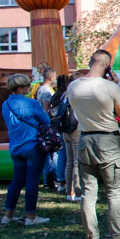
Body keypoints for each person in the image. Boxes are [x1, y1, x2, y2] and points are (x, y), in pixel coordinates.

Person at [66, 50, 120, 239]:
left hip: (85, 139)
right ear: (108, 66)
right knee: (113, 192)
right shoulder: (110, 87)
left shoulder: (73, 86)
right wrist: (117, 86)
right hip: (108, 140)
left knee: (88, 194)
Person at [0, 74, 53, 226]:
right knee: (32, 182)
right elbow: (46, 120)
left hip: (16, 147)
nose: (29, 88)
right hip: (33, 146)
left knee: (16, 181)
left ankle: (8, 214)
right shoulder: (31, 103)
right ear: (20, 88)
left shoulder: (6, 104)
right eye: (27, 86)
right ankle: (31, 216)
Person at [50, 75, 81, 203]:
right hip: (76, 129)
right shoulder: (78, 95)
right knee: (76, 163)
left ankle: (69, 191)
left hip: (65, 130)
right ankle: (78, 192)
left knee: (69, 161)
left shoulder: (65, 95)